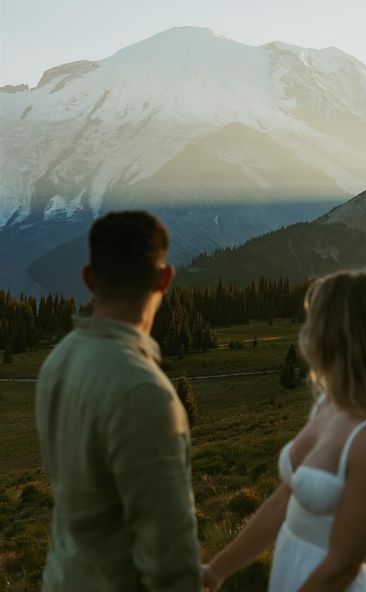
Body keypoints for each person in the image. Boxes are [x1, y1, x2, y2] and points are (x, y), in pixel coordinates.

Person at [203, 270, 366, 592]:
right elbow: (282, 502)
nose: (307, 333)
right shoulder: (329, 404)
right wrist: (216, 571)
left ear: (339, 334)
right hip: (295, 570)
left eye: (315, 322)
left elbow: (342, 567)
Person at [36, 211, 202, 592]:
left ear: (89, 278)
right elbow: (170, 560)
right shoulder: (145, 394)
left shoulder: (59, 359)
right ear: (165, 278)